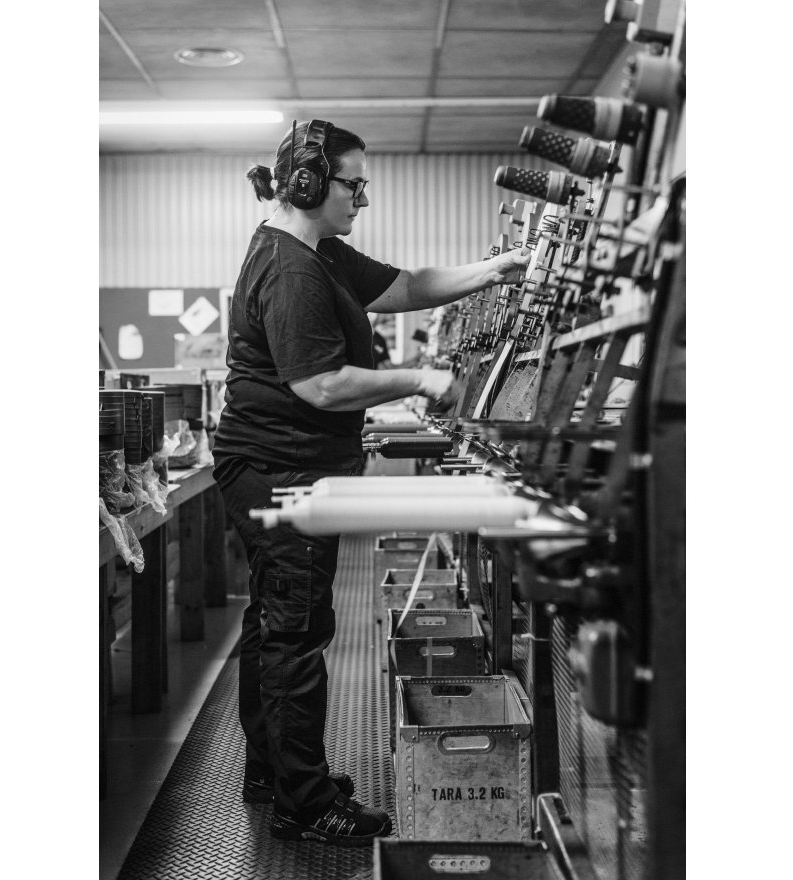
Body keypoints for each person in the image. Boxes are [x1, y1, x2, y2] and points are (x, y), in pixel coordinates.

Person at [212, 119, 529, 847]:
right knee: (295, 632)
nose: (363, 197)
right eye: (353, 185)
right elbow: (321, 384)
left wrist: (497, 270)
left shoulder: (317, 252)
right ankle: (304, 804)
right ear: (307, 184)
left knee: (272, 624)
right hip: (279, 468)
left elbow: (406, 286)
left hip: (277, 463)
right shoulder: (291, 269)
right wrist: (420, 378)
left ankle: (275, 772)